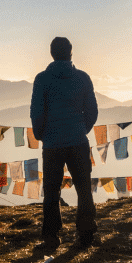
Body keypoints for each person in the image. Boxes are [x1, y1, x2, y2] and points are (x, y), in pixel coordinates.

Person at [30, 36, 98, 251]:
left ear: (52, 54)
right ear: (71, 53)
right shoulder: (83, 78)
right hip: (78, 141)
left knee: (51, 190)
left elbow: (37, 112)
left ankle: (51, 237)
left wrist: (43, 135)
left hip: (52, 144)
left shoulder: (42, 79)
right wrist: (80, 129)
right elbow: (92, 112)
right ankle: (86, 233)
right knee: (84, 188)